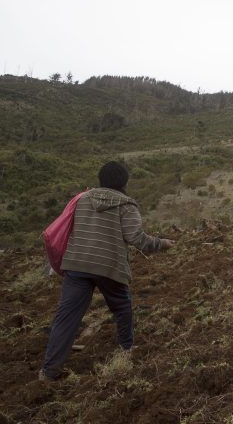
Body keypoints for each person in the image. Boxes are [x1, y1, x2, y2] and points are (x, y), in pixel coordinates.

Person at [40, 161, 174, 381]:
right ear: (124, 181)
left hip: (77, 264)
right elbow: (136, 239)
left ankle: (49, 371)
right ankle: (125, 351)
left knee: (66, 318)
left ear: (101, 179)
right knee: (122, 308)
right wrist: (162, 244)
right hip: (109, 267)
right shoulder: (127, 204)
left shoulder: (81, 200)